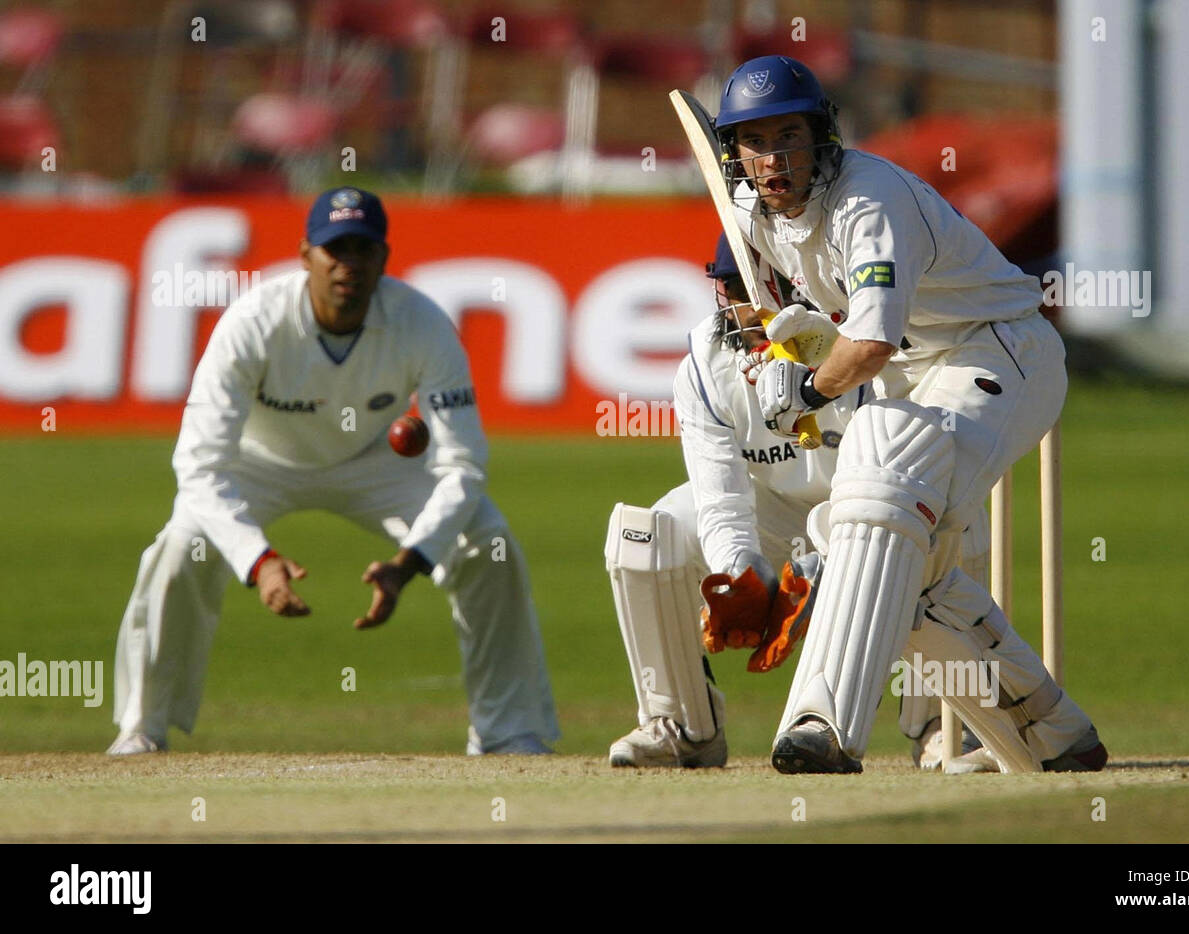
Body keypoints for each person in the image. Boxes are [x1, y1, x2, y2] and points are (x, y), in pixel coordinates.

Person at [712, 55, 1108, 774]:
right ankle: (1050, 732)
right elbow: (778, 315)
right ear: (733, 153)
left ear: (822, 136)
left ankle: (822, 725)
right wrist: (778, 365)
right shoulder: (751, 215)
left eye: (789, 136)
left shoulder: (868, 202)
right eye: (755, 142)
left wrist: (802, 394)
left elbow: (868, 344)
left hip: (998, 354)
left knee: (884, 488)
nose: (773, 158)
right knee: (910, 562)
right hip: (915, 375)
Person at [108, 187, 559, 757]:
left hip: (375, 461)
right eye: (334, 250)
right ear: (305, 257)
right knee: (181, 548)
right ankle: (143, 728)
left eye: (362, 250)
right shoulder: (252, 323)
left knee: (486, 541)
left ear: (383, 259)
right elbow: (199, 464)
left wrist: (409, 562)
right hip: (260, 462)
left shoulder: (422, 323)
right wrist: (259, 562)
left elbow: (463, 465)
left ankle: (507, 730)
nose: (348, 265)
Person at [605, 235, 990, 769]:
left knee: (959, 529)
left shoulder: (865, 342)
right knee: (646, 533)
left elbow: (893, 472)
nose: (761, 303)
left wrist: (826, 569)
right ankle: (682, 726)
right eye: (741, 288)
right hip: (774, 510)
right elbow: (720, 497)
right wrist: (744, 574)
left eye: (778, 285)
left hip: (877, 502)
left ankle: (944, 726)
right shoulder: (703, 365)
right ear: (719, 288)